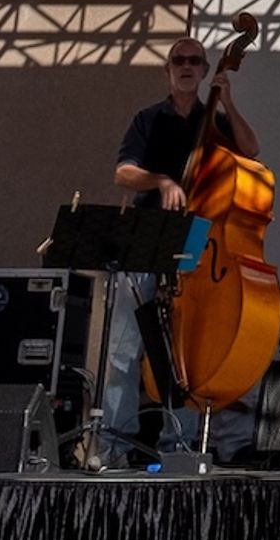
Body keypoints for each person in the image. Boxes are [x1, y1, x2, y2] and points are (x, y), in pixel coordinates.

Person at [93, 28, 259, 466]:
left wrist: (227, 103)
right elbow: (123, 172)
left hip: (195, 245)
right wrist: (162, 180)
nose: (187, 67)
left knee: (186, 350)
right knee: (124, 350)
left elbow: (252, 153)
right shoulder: (148, 119)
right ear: (169, 70)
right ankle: (113, 446)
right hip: (147, 237)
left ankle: (178, 446)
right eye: (179, 60)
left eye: (195, 61)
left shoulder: (215, 123)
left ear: (205, 71)